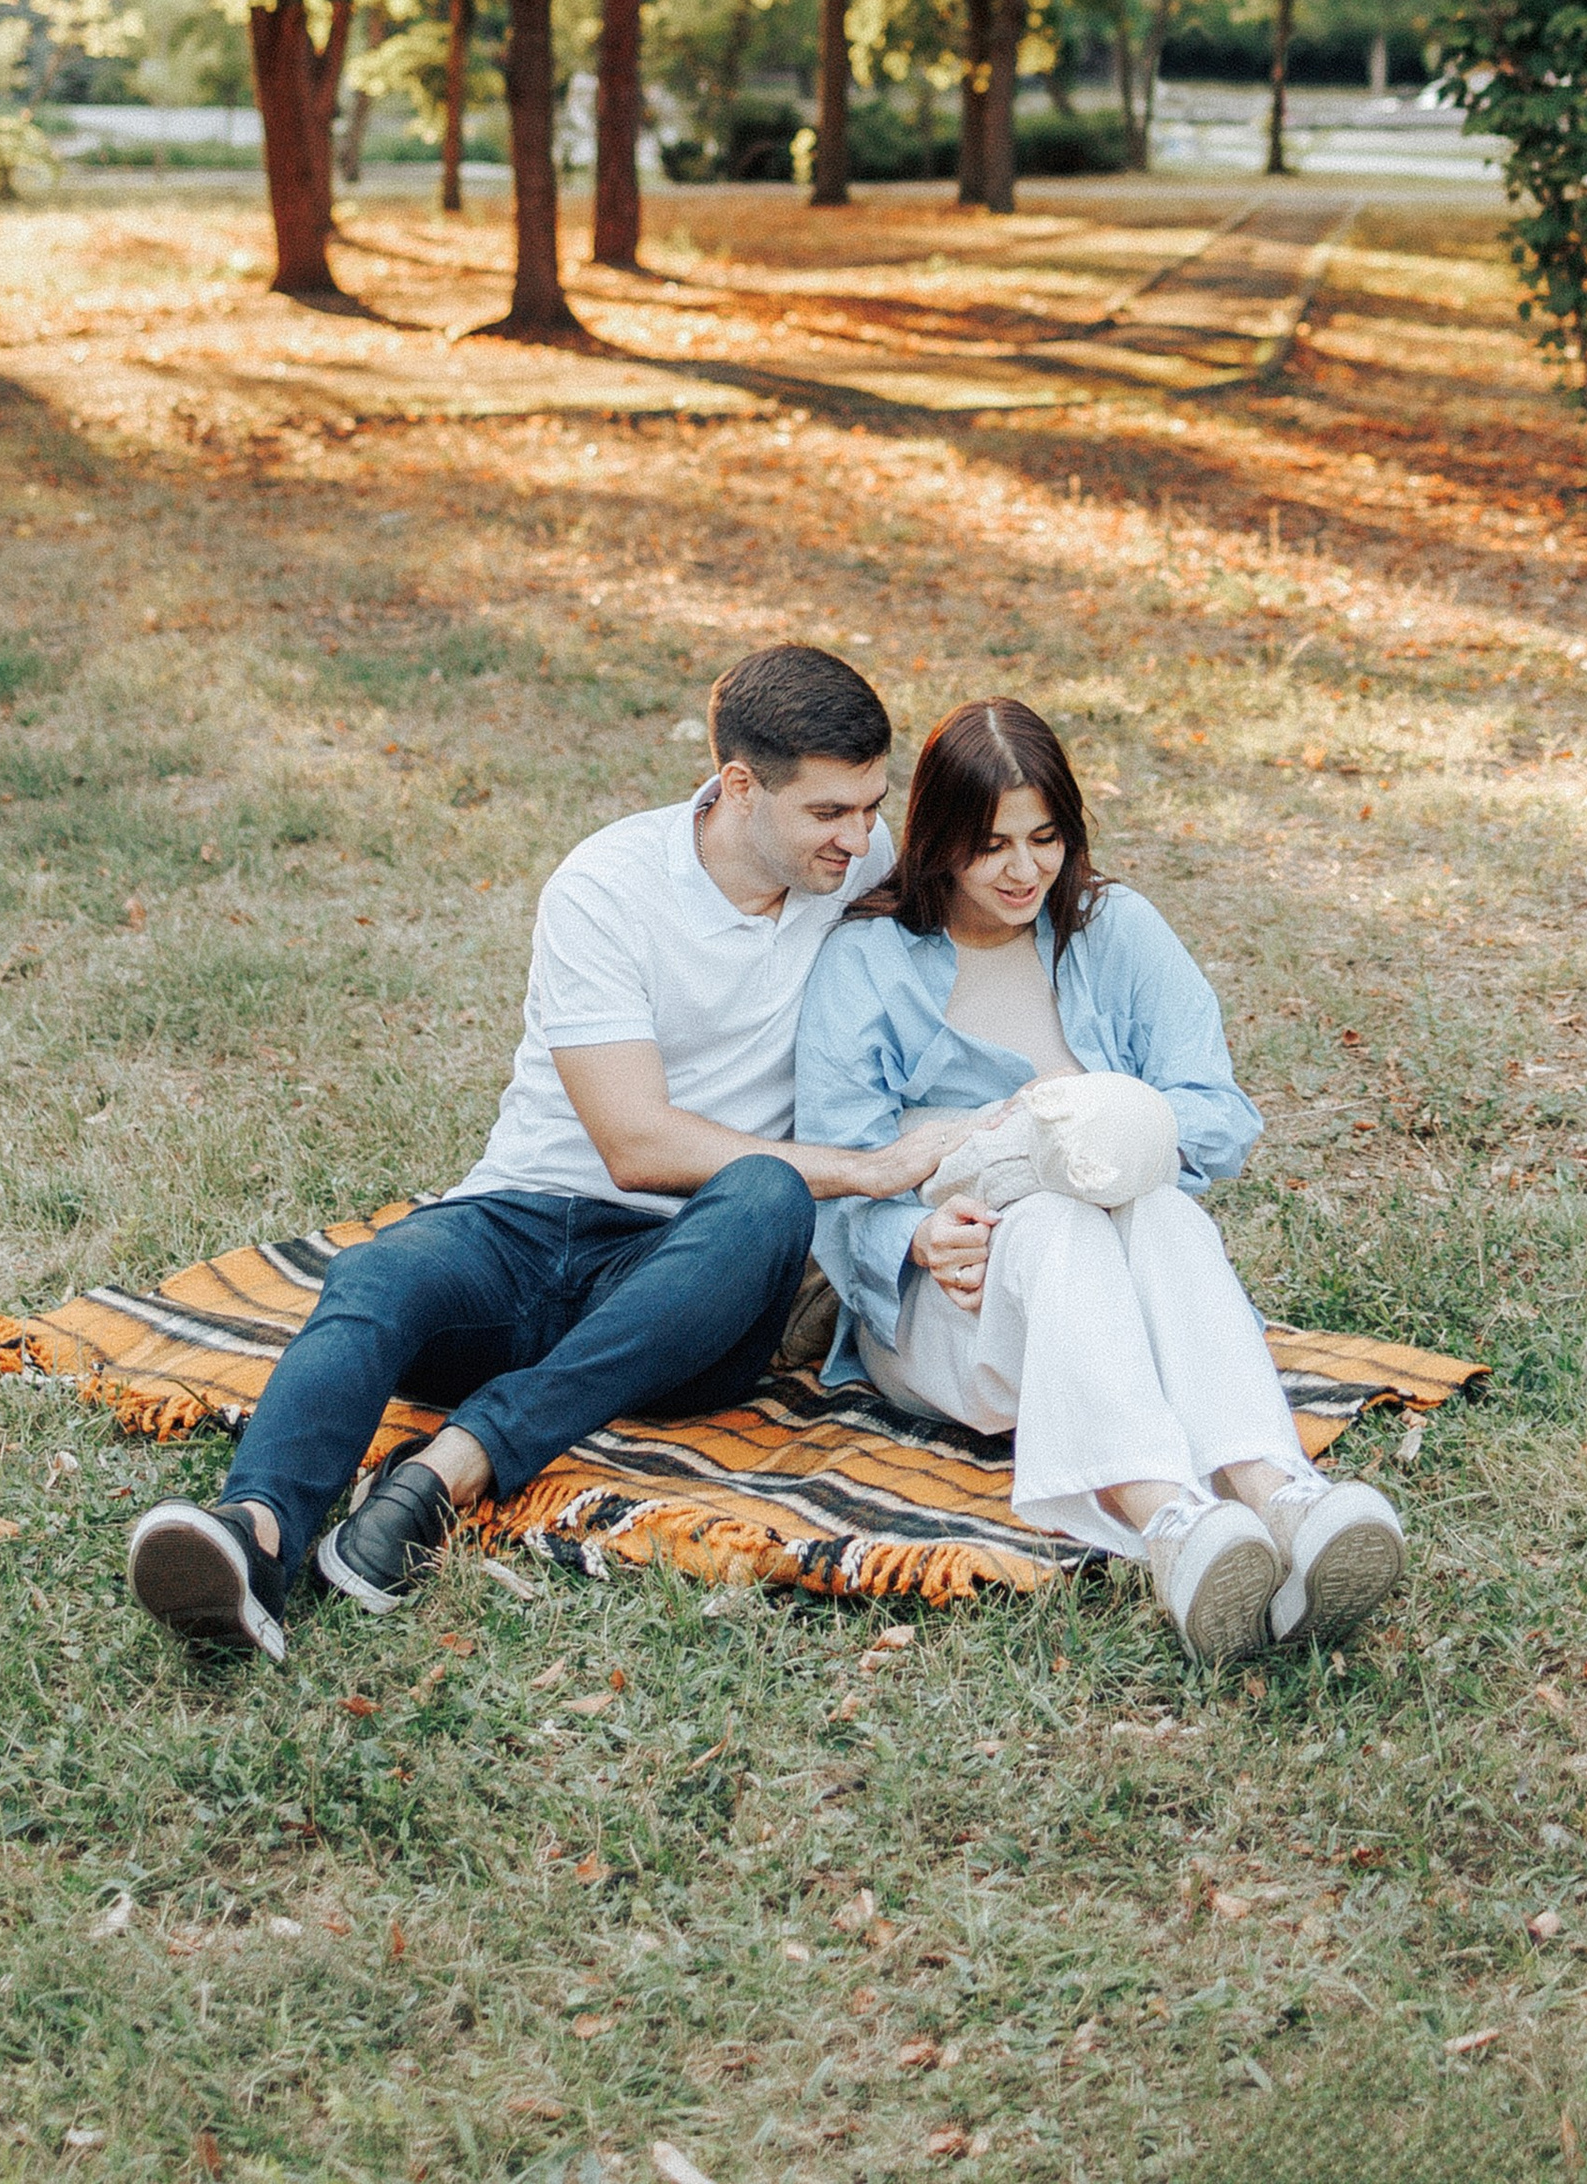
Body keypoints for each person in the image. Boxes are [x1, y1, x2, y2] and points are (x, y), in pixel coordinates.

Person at [126, 645, 969, 1659]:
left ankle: (459, 1466)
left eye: (873, 806)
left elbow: (1013, 904)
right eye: (828, 813)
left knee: (766, 1198)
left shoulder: (859, 868)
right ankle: (250, 1538)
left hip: (688, 1294)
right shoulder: (607, 886)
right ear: (739, 789)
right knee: (381, 1271)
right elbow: (632, 1143)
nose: (862, 837)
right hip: (524, 1223)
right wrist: (866, 1169)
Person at [795, 696, 1406, 1667]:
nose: (1023, 868)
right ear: (939, 839)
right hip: (944, 1300)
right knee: (1050, 1230)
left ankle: (1278, 1494)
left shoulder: (1113, 928)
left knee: (1158, 1212)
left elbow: (1217, 1111)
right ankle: (1168, 1525)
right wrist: (910, 1236)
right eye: (991, 843)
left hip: (1121, 1254)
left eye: (1045, 837)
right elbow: (835, 1168)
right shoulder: (867, 962)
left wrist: (1100, 1130)